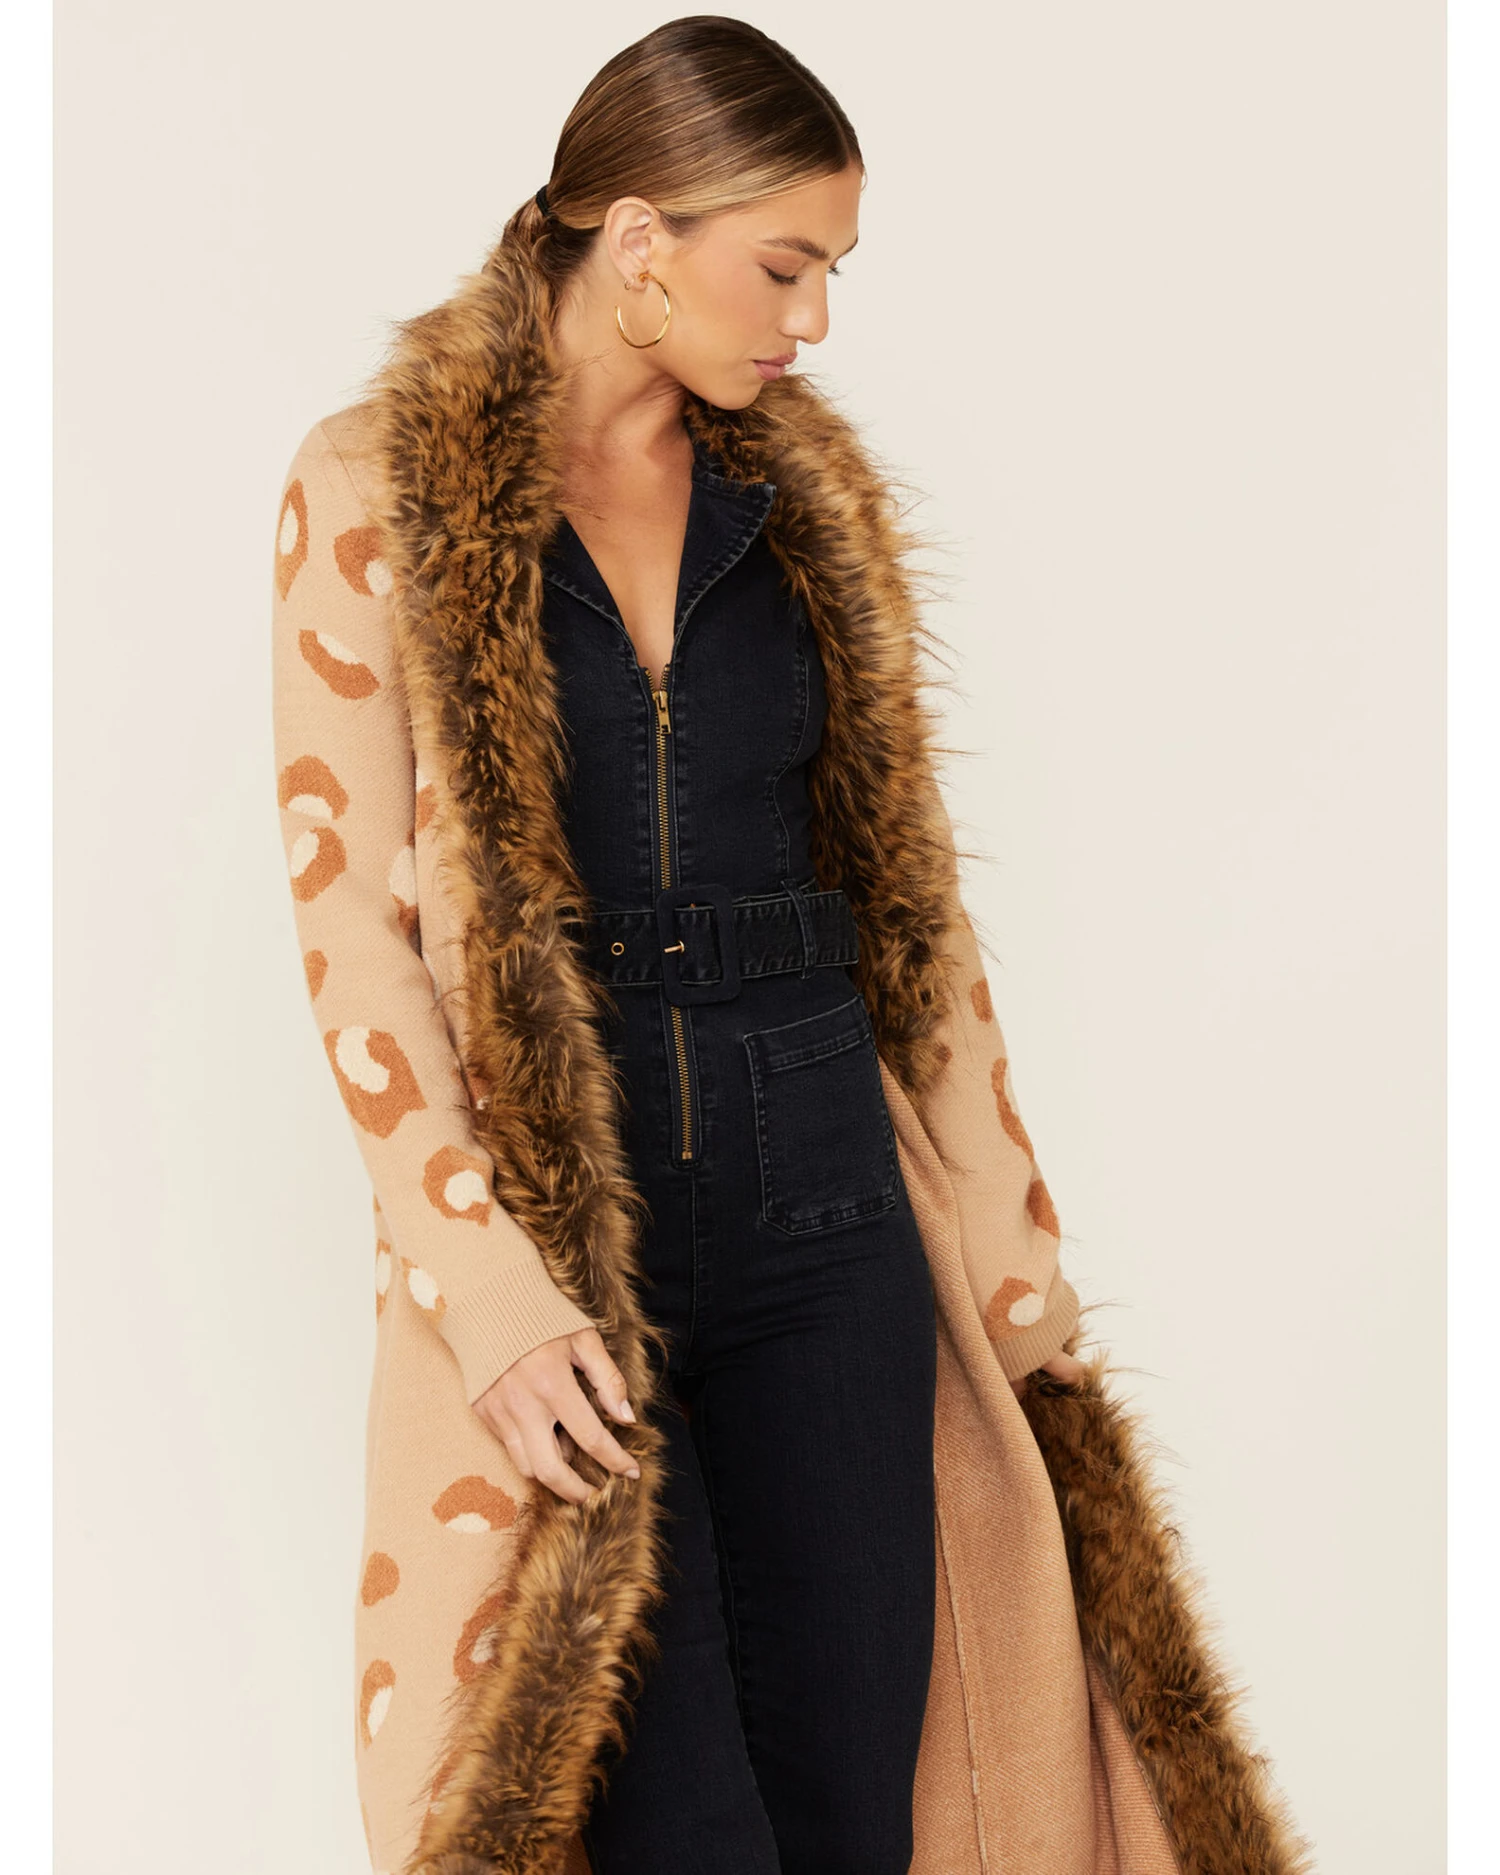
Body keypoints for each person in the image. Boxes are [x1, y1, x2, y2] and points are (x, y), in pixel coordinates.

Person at [271, 18, 1308, 1875]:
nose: (813, 320)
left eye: (833, 270)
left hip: (828, 1197)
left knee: (852, 1809)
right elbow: (349, 919)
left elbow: (912, 910)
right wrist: (485, 1285)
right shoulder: (375, 487)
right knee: (654, 1816)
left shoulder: (807, 500)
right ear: (639, 239)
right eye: (785, 264)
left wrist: (1015, 1255)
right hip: (566, 1225)